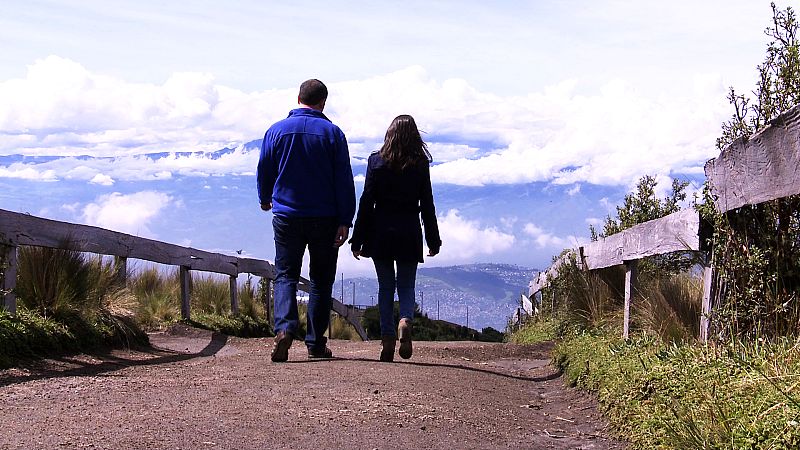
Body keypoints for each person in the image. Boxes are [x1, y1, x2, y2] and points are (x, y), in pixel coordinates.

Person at [257, 79, 356, 362]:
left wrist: (265, 198)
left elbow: (264, 168)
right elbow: (343, 181)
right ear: (323, 102)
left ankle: (285, 329)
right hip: (325, 217)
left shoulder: (276, 131)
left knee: (285, 274)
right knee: (321, 280)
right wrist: (345, 219)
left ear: (298, 97)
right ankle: (314, 343)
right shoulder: (333, 134)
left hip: (287, 216)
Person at [349, 114, 442, 362]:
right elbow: (428, 205)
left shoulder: (375, 161)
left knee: (385, 287)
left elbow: (366, 202)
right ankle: (405, 321)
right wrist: (433, 241)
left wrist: (356, 239)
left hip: (380, 232)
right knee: (407, 286)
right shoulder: (420, 164)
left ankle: (388, 339)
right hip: (409, 230)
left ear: (389, 135)